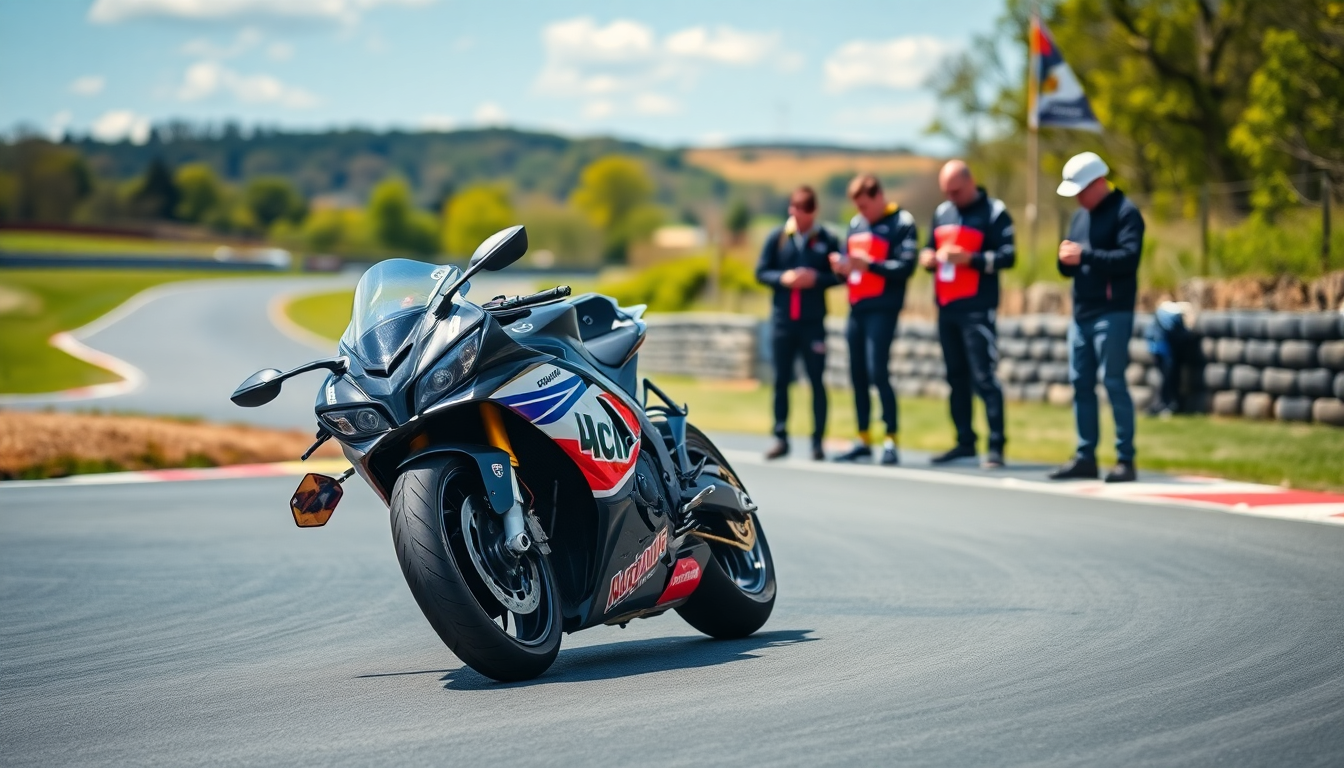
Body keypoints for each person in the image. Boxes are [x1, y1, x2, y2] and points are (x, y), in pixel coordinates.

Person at [1048, 151, 1145, 483]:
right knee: (1081, 384)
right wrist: (1065, 259)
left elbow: (1128, 259)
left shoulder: (1126, 213)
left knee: (1113, 382)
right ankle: (1085, 455)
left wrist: (1085, 254)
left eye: (1080, 190)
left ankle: (1125, 459)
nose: (1077, 197)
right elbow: (1069, 265)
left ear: (1098, 182)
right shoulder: (1080, 216)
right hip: (1082, 314)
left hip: (1112, 313)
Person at [918, 160, 1014, 469]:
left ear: (970, 182)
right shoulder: (942, 212)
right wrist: (928, 258)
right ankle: (964, 441)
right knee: (955, 377)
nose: (952, 197)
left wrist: (970, 259)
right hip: (947, 307)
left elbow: (1008, 256)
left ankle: (996, 445)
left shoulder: (995, 212)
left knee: (984, 377)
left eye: (956, 191)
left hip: (977, 307)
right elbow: (927, 247)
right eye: (946, 192)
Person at [828, 174, 918, 465]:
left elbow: (906, 266)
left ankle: (890, 439)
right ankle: (863, 438)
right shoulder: (856, 224)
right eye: (858, 207)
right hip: (857, 307)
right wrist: (842, 266)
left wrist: (871, 265)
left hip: (884, 307)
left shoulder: (902, 222)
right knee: (857, 374)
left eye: (865, 206)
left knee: (877, 371)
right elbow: (848, 260)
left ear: (879, 196)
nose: (861, 212)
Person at [756, 185, 843, 461]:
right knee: (781, 380)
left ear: (813, 211)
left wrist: (815, 279)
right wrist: (784, 279)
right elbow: (761, 272)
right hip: (782, 322)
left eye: (803, 209)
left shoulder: (827, 238)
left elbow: (841, 275)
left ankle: (818, 442)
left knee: (817, 381)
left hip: (813, 323)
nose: (796, 214)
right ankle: (780, 437)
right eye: (793, 208)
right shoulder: (778, 237)